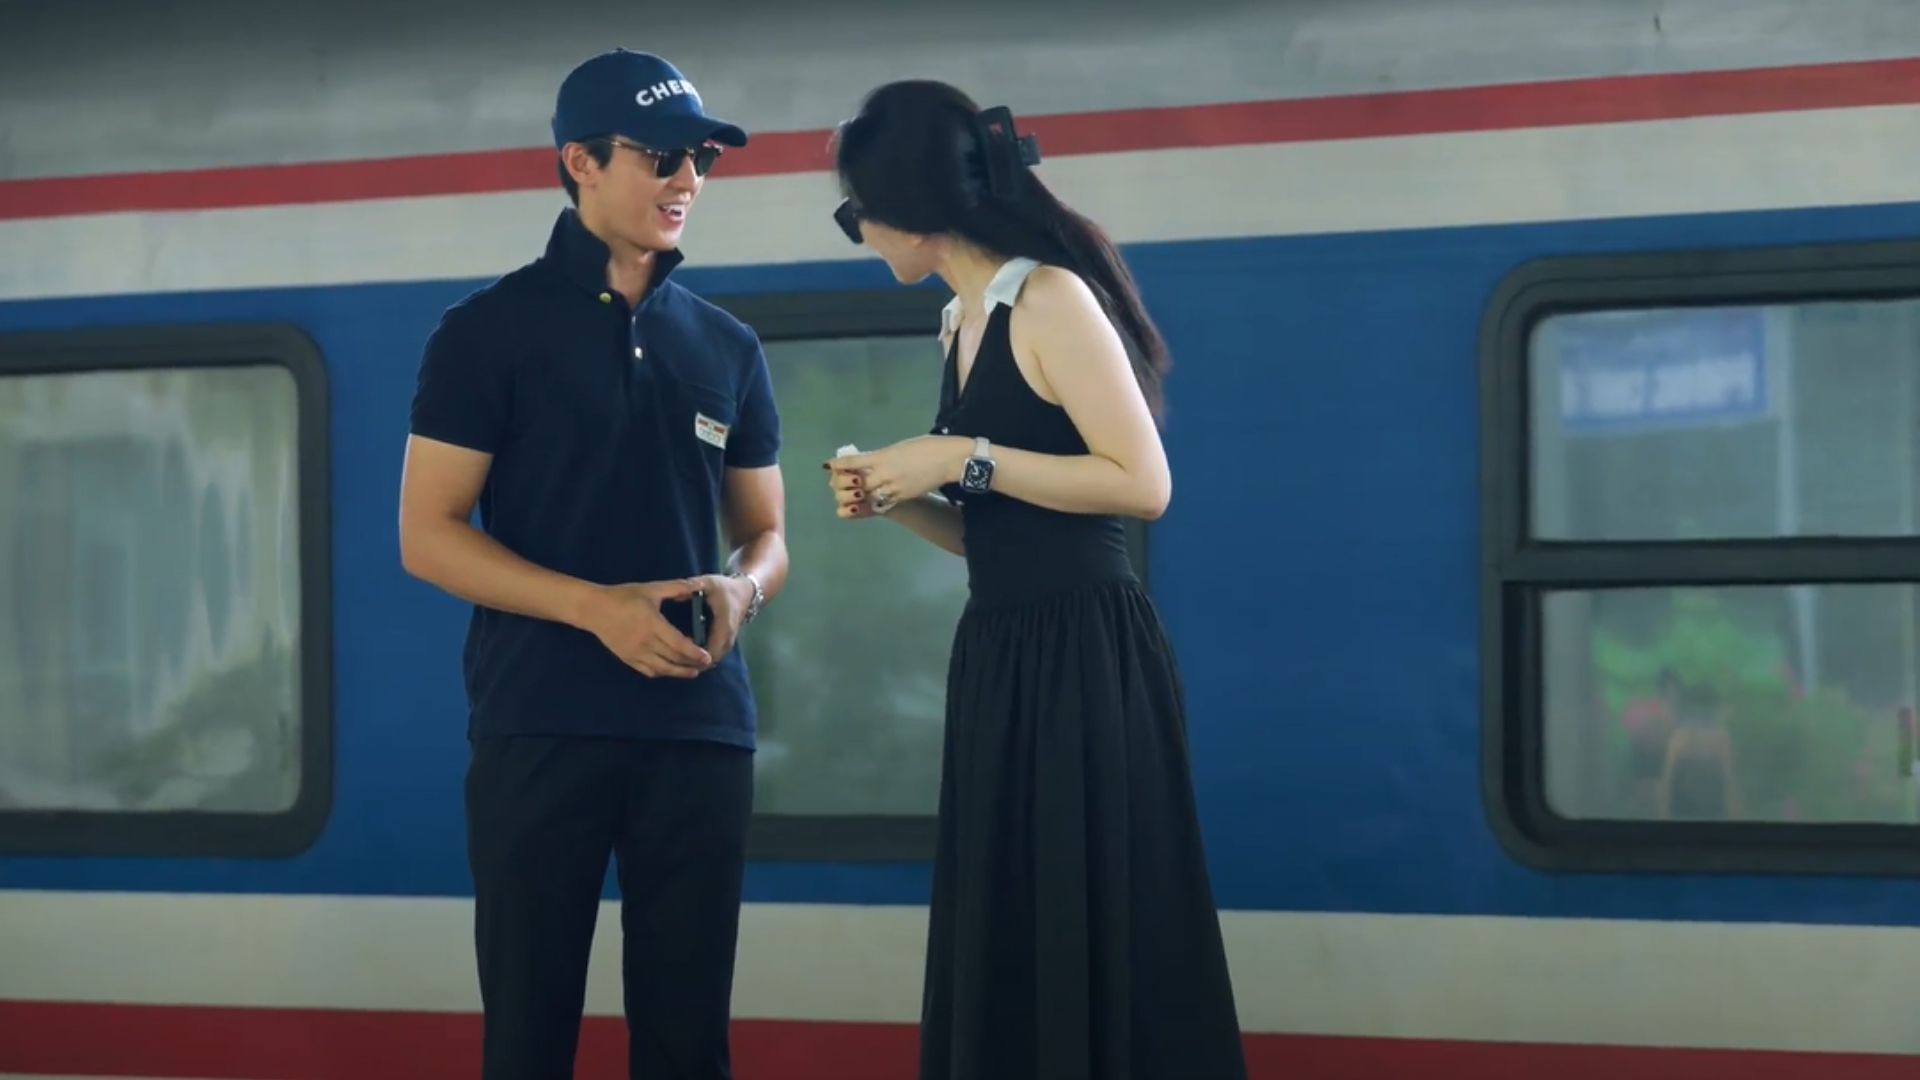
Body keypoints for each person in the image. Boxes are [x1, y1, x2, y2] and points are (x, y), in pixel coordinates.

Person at [824, 81, 1247, 1080]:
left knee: (1084, 915)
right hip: (1005, 650)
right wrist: (900, 497)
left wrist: (960, 458)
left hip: (1085, 653)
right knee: (1017, 920)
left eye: (855, 216)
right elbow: (1001, 536)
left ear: (908, 213)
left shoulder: (1049, 299)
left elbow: (1141, 485)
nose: (860, 235)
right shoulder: (961, 320)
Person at [397, 48, 786, 1080]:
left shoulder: (728, 347)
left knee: (688, 1046)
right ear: (580, 161)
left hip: (699, 730)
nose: (688, 179)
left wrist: (743, 588)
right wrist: (595, 609)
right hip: (541, 723)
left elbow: (767, 536)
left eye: (702, 159)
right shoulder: (484, 334)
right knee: (528, 1043)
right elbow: (427, 534)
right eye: (663, 156)